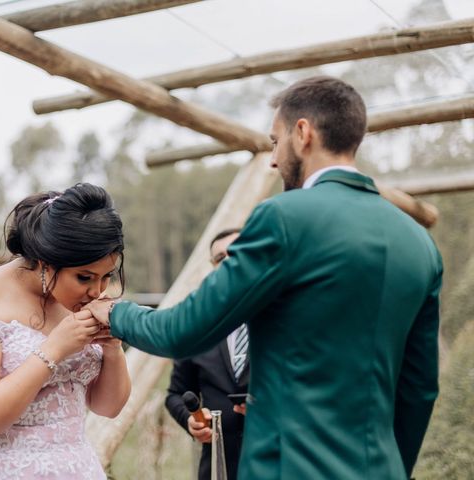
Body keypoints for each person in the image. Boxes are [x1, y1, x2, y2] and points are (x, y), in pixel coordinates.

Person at [85, 76, 442, 479]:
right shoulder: (419, 243)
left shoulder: (284, 218)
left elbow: (181, 331)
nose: (273, 160)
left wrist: (114, 314)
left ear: (303, 133)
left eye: (275, 141)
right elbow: (419, 390)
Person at [0, 183, 130, 479]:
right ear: (45, 262)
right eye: (84, 277)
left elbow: (107, 407)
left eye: (106, 276)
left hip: (78, 468)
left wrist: (112, 348)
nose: (97, 290)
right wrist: (53, 350)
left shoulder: (80, 299)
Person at [165, 228, 248, 480]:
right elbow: (174, 394)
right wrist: (191, 422)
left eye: (237, 252)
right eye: (221, 257)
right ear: (213, 267)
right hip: (218, 467)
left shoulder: (282, 318)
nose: (229, 260)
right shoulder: (197, 328)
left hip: (278, 464)